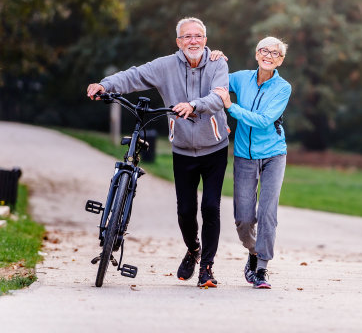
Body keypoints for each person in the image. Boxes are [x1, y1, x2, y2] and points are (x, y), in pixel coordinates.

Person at [86, 17, 229, 288]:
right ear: (178, 42)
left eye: (198, 36)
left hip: (214, 148)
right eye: (187, 37)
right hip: (183, 149)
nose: (193, 41)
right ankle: (193, 249)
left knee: (210, 207)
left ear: (206, 40)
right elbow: (134, 75)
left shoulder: (218, 63)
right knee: (186, 211)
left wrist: (194, 105)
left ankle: (207, 269)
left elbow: (219, 96)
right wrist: (104, 84)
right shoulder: (166, 65)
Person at [213, 36, 291, 289]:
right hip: (244, 156)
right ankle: (254, 251)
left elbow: (263, 120)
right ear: (257, 54)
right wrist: (214, 57)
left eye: (275, 53)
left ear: (281, 60)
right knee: (244, 219)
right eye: (264, 51)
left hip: (273, 155)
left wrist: (230, 107)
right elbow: (215, 80)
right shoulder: (241, 78)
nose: (269, 55)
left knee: (267, 213)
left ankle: (261, 269)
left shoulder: (283, 88)